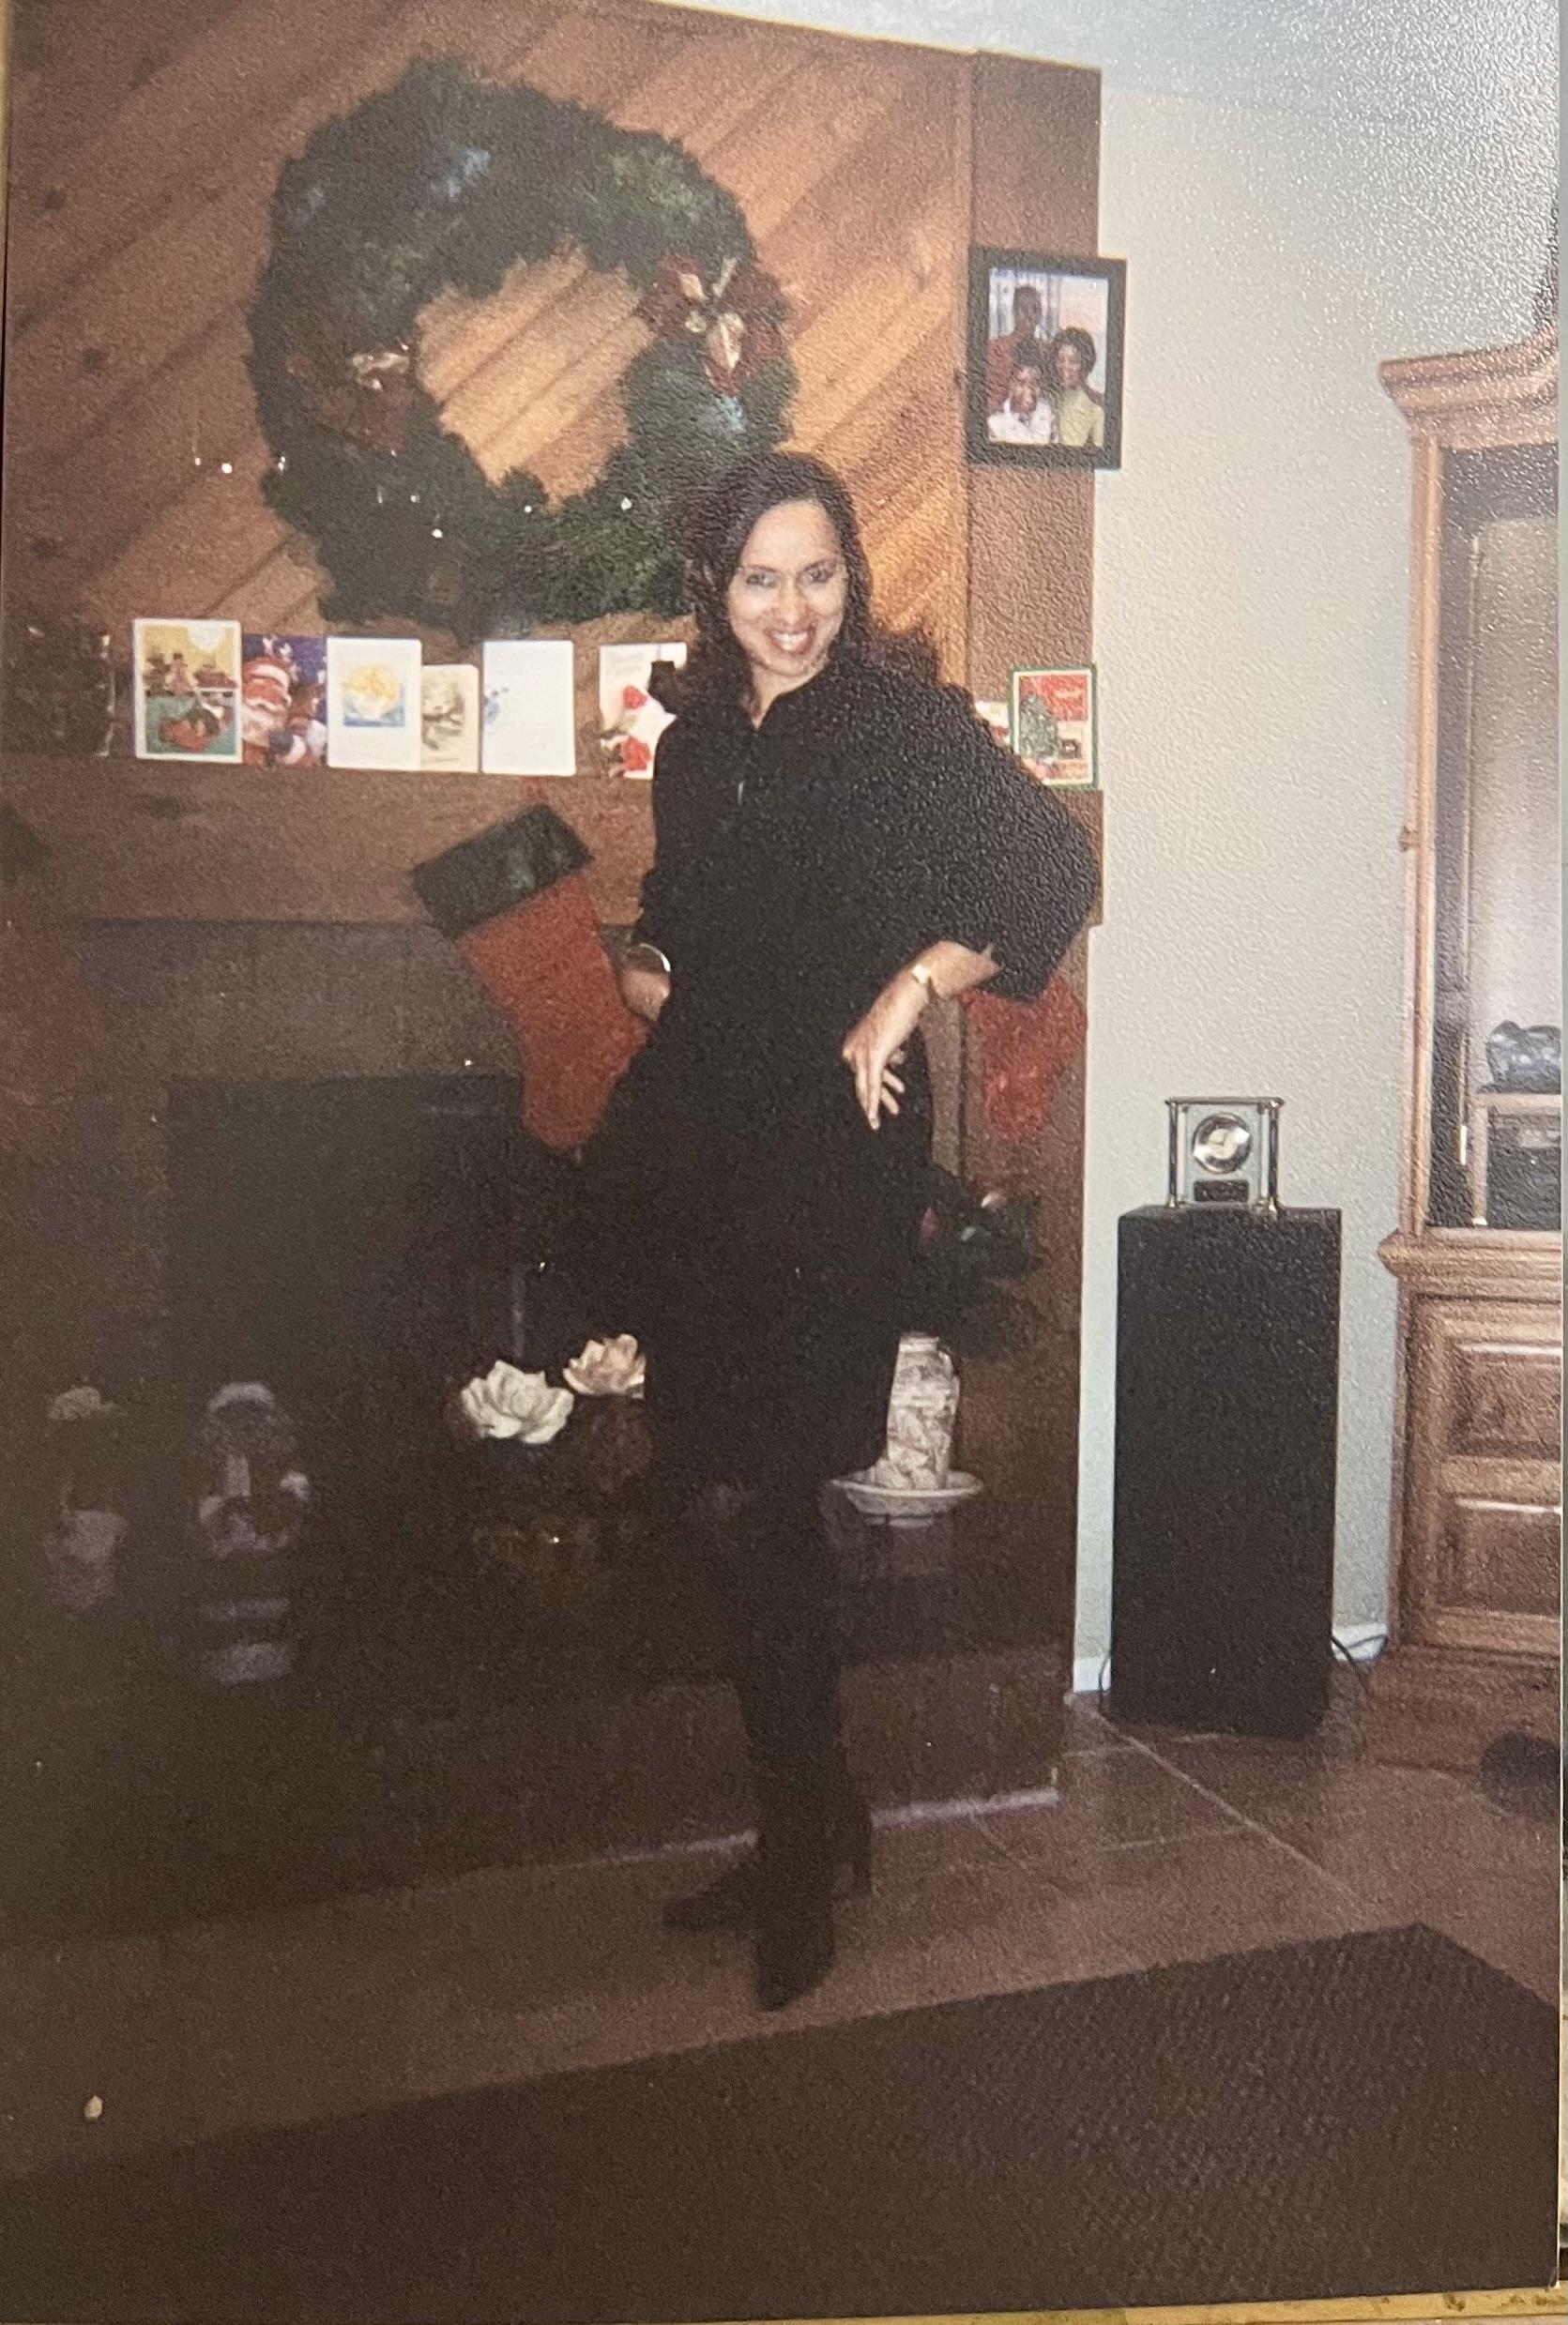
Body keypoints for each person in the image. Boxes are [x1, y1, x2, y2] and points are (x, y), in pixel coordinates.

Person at [586, 450, 1098, 2012]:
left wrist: (909, 984)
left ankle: (805, 1840)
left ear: (850, 580)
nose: (793, 611)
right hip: (703, 1135)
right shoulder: (688, 741)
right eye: (760, 579)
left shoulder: (900, 727)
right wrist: (651, 965)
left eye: (818, 575)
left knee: (765, 1480)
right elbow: (688, 900)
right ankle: (812, 1810)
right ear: (714, 588)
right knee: (713, 1486)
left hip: (832, 1142)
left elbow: (1053, 866)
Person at [984, 281, 1045, 412]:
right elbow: (988, 396)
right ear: (1014, 312)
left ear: (1040, 314)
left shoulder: (1046, 350)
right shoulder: (995, 348)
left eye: (1035, 309)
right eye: (1023, 309)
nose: (1029, 315)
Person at [1045, 326, 1105, 448]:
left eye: (1073, 361)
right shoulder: (1050, 398)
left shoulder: (1094, 410)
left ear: (1085, 363)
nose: (1065, 367)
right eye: (1060, 359)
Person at [986, 343, 1058, 445]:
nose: (1028, 391)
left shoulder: (1048, 415)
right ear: (1011, 383)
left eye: (1034, 383)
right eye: (1021, 383)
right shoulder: (994, 425)